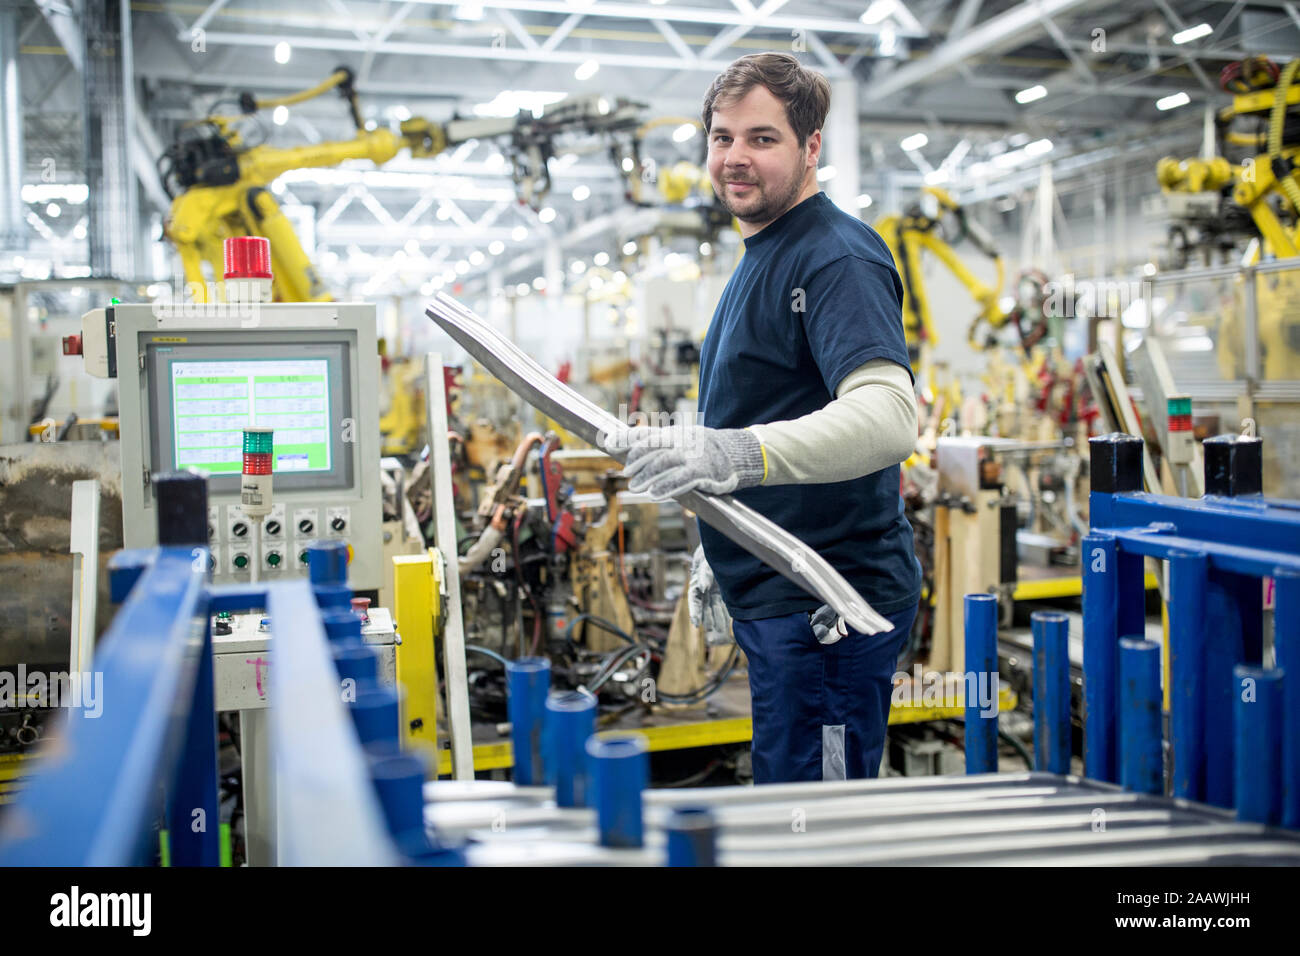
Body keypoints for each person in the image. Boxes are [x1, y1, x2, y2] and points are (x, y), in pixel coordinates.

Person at [605, 52, 921, 784]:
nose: (734, 158)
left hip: (830, 606)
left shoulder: (834, 256)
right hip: (782, 595)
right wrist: (721, 542)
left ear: (812, 148)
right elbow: (767, 405)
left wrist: (734, 457)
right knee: (788, 797)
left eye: (761, 138)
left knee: (815, 820)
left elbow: (888, 418)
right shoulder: (765, 252)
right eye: (721, 137)